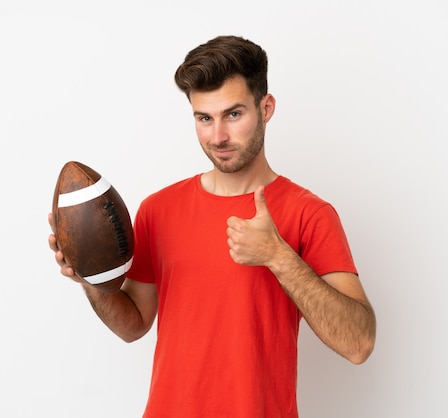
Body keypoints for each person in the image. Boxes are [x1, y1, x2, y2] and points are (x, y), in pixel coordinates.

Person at [49, 35, 376, 418]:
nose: (217, 136)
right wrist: (91, 278)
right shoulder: (158, 209)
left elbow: (359, 343)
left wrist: (277, 256)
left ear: (266, 107)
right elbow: (134, 324)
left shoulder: (310, 213)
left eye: (233, 114)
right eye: (204, 118)